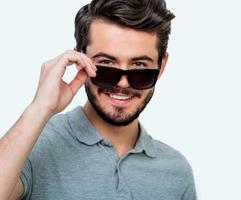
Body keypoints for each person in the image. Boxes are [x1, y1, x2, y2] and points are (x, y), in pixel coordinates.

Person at [0, 0, 197, 199]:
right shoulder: (33, 146)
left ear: (161, 66)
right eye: (106, 64)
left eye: (139, 66)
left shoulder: (177, 173)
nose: (122, 83)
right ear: (79, 59)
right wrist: (40, 107)